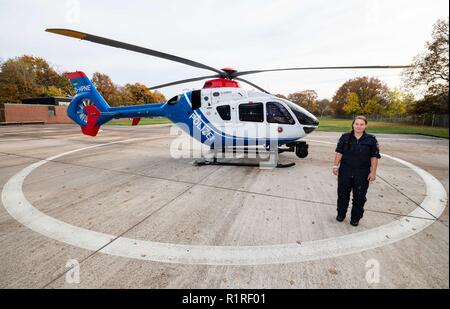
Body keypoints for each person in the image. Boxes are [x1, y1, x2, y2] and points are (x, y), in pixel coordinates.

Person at [332, 115, 381, 226]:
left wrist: (373, 172)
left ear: (365, 126)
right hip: (345, 171)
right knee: (342, 195)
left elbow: (374, 157)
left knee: (359, 197)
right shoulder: (345, 137)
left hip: (362, 173)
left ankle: (355, 218)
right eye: (356, 124)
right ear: (353, 125)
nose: (359, 126)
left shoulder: (371, 139)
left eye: (361, 124)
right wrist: (335, 166)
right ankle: (341, 214)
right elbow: (339, 152)